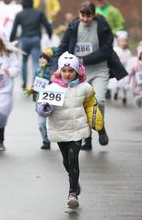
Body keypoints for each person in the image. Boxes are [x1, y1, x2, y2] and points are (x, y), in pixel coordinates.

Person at [57, 1, 128, 150]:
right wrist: (55, 67)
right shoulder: (73, 27)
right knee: (82, 105)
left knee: (99, 101)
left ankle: (100, 127)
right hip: (79, 73)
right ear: (79, 14)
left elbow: (106, 50)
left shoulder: (102, 26)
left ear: (94, 15)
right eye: (82, 15)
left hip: (99, 70)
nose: (85, 19)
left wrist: (84, 59)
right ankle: (87, 139)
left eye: (88, 16)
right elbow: (62, 47)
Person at [36, 52, 103, 209]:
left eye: (71, 71)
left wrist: (97, 123)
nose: (67, 74)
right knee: (66, 161)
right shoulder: (52, 87)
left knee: (73, 159)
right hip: (60, 129)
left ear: (77, 71)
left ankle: (72, 192)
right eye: (64, 70)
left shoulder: (85, 88)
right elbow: (40, 107)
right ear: (60, 71)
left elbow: (91, 105)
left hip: (77, 129)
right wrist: (44, 108)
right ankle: (74, 180)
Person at [10, 0, 52, 90]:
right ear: (32, 2)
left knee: (24, 61)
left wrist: (10, 43)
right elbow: (47, 25)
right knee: (35, 63)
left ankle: (24, 82)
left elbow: (14, 30)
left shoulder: (19, 15)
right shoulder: (39, 13)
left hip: (24, 40)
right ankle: (34, 83)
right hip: (36, 39)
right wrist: (49, 35)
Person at [24, 48, 56, 150]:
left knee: (56, 123)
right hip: (40, 101)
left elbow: (56, 84)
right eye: (40, 58)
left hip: (51, 101)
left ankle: (61, 140)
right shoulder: (37, 71)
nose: (41, 60)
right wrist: (32, 90)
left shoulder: (53, 72)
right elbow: (36, 85)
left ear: (49, 60)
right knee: (41, 123)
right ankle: (46, 141)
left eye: (44, 58)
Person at [108, 30, 132, 104]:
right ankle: (116, 92)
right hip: (118, 68)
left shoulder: (128, 51)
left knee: (125, 85)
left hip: (125, 69)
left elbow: (129, 60)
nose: (123, 43)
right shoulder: (116, 50)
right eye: (122, 41)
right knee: (118, 83)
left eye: (125, 41)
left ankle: (124, 96)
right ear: (118, 42)